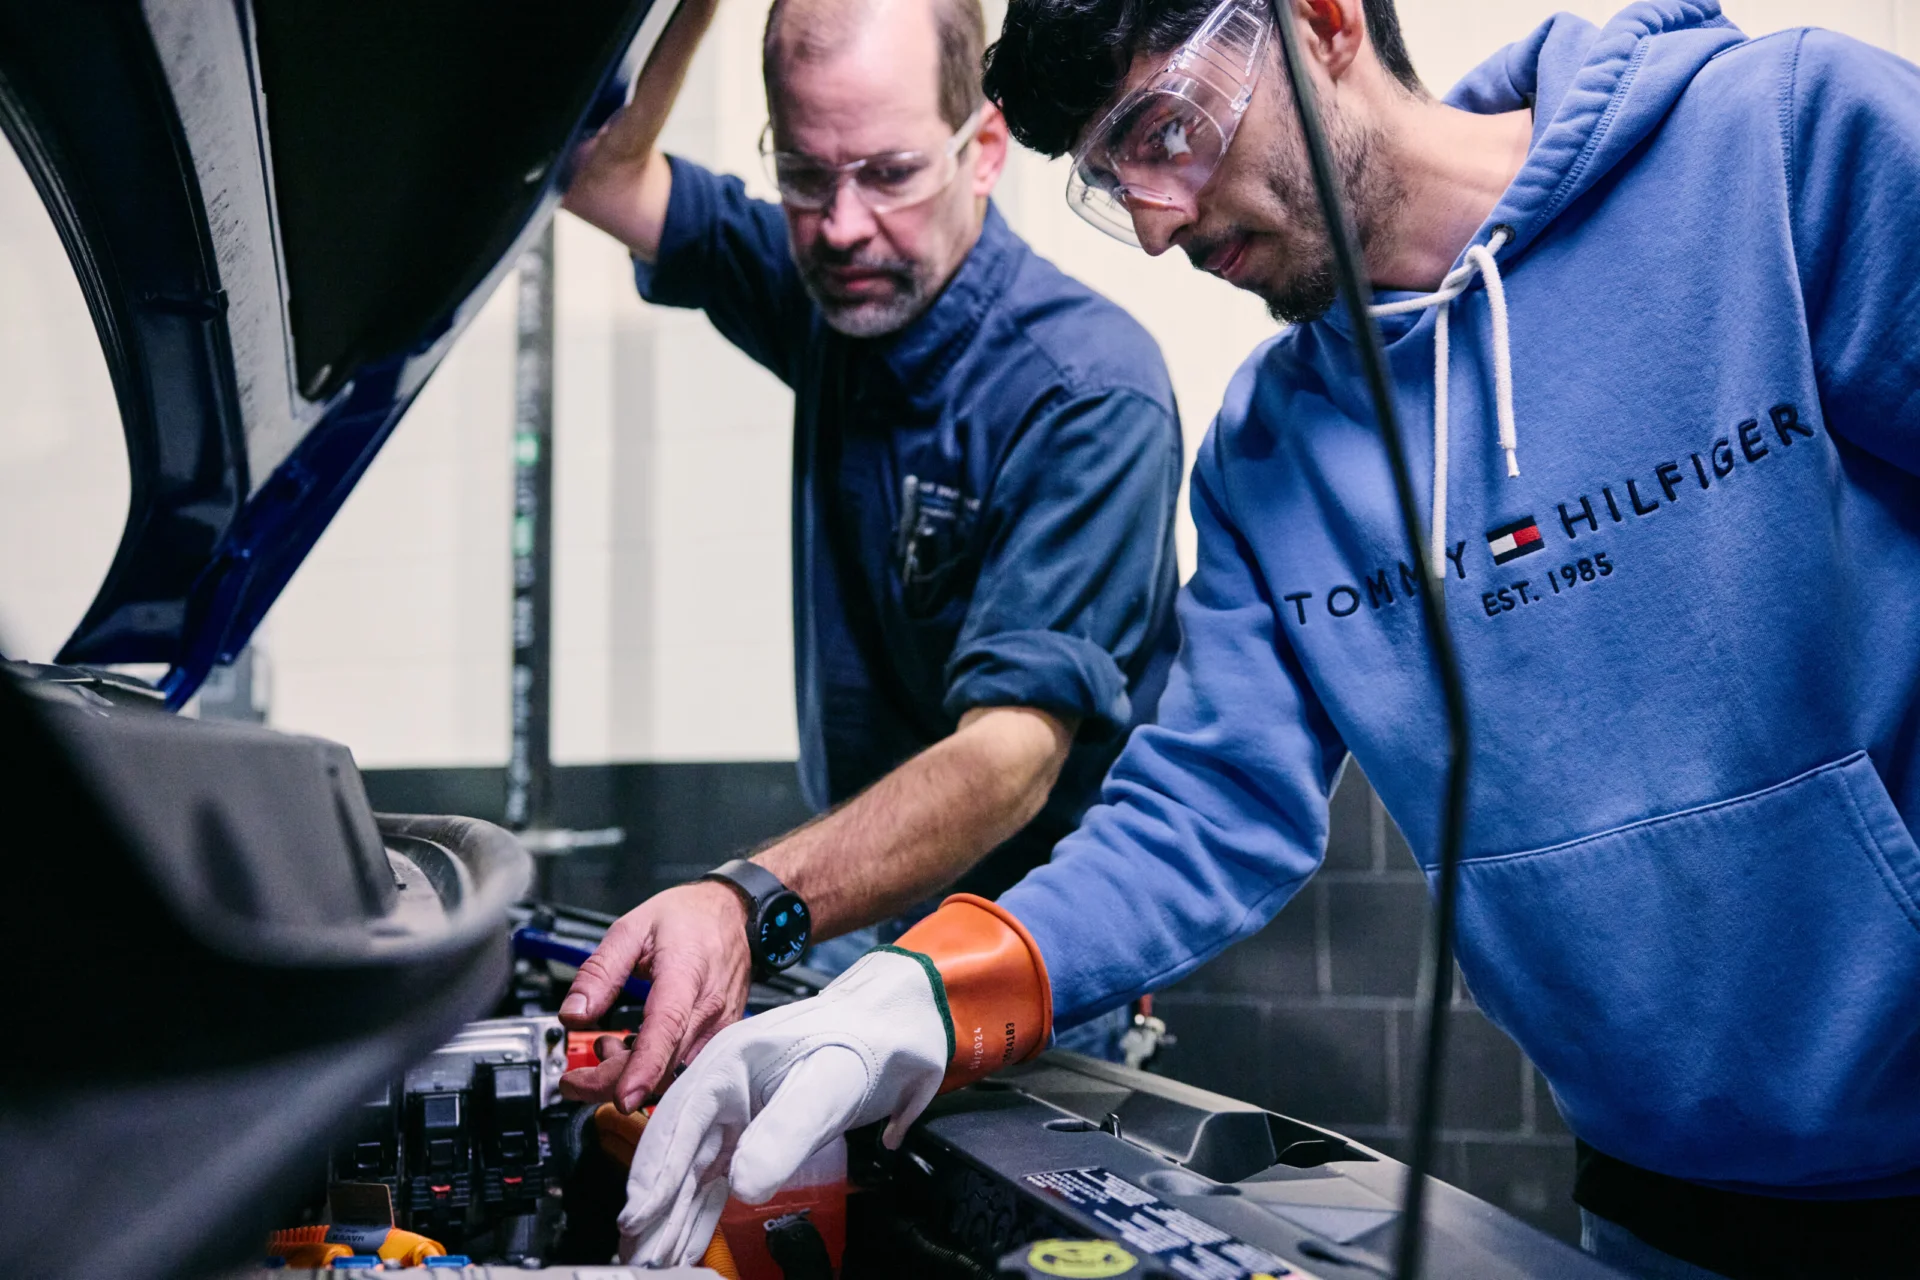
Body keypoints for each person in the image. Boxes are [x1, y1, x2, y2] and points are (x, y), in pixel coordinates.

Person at [608, 0, 1920, 1275]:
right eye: (1113, 182)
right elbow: (1206, 810)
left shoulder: (1785, 149)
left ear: (1326, 24)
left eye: (1166, 133)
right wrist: (925, 992)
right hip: (1654, 1197)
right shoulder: (1268, 452)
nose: (1160, 222)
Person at [554, 0, 1184, 1112]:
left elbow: (1009, 757)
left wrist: (748, 896)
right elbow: (602, 177)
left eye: (890, 173)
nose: (842, 226)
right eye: (804, 174)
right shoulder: (832, 293)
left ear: (982, 150)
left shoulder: (1086, 391)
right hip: (860, 918)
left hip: (1026, 953)